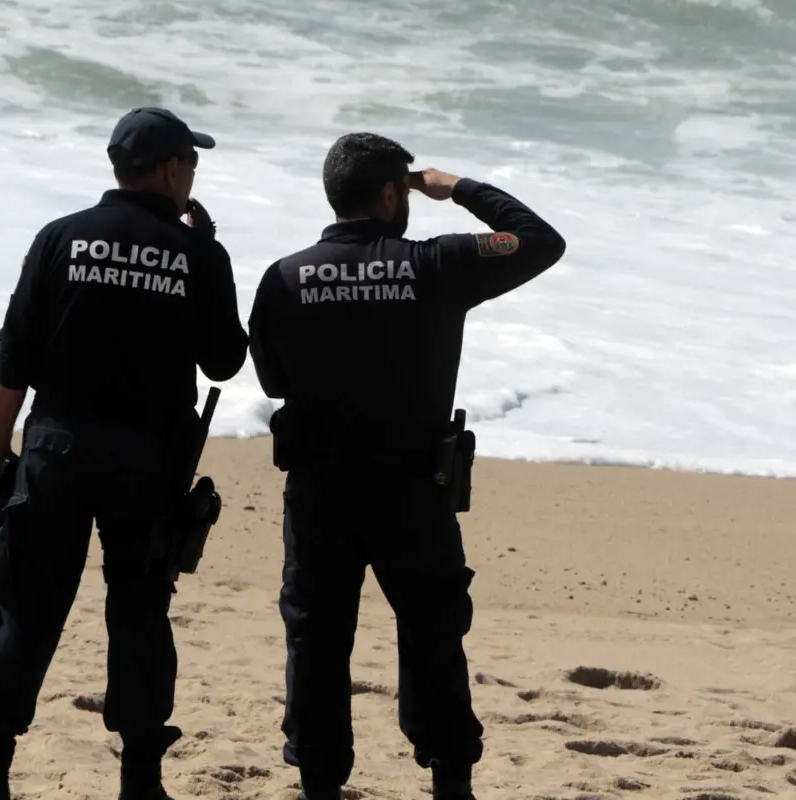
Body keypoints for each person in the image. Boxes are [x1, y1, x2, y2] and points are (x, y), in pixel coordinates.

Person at [0, 107, 249, 800]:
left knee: (23, 607)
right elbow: (223, 363)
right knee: (139, 612)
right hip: (150, 463)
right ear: (169, 170)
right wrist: (208, 257)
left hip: (57, 449)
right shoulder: (197, 255)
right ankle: (140, 780)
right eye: (191, 162)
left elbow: (14, 360)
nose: (194, 174)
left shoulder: (61, 237)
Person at [246, 132, 567, 799]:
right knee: (432, 632)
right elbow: (539, 239)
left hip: (320, 493)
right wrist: (456, 188)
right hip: (413, 492)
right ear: (392, 193)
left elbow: (274, 381)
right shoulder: (438, 264)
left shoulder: (284, 277)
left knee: (318, 638)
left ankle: (319, 785)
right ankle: (450, 782)